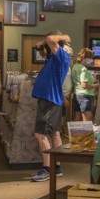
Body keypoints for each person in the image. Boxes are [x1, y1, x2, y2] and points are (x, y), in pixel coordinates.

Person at [30, 31, 71, 182]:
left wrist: (64, 37)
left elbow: (50, 39)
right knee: (55, 133)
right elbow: (40, 44)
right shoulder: (53, 57)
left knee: (40, 134)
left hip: (49, 100)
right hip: (49, 100)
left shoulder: (62, 56)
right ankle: (57, 167)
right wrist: (42, 45)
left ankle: (47, 169)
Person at [71, 48, 99, 122]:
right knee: (86, 119)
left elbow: (78, 81)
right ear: (85, 58)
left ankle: (75, 134)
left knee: (77, 118)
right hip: (85, 96)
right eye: (90, 58)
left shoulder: (75, 66)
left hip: (77, 95)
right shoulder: (83, 69)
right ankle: (86, 134)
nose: (91, 61)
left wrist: (92, 81)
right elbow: (84, 85)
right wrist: (96, 85)